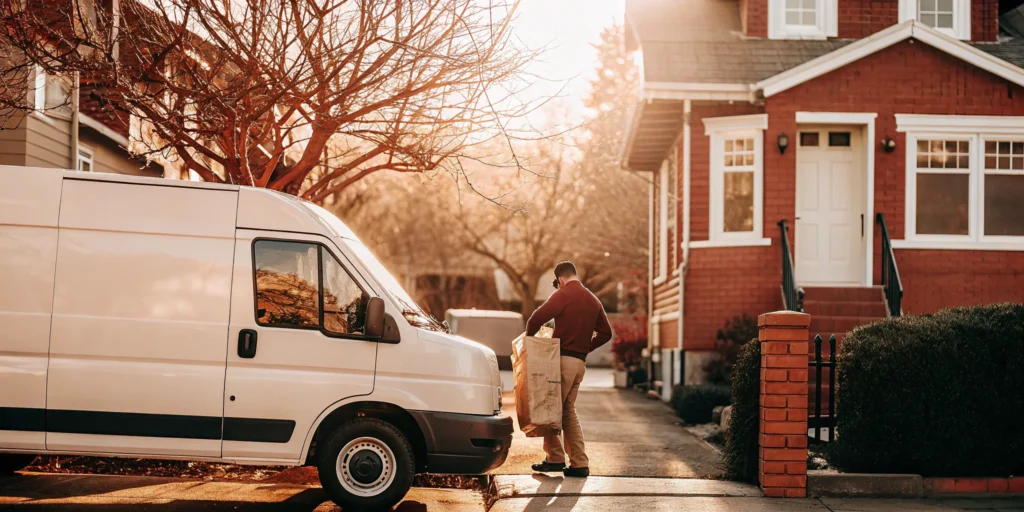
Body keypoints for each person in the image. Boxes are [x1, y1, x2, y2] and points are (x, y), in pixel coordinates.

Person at [526, 261, 612, 478]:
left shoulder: (563, 295)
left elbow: (536, 318)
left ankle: (554, 458)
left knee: (548, 409)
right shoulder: (593, 300)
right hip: (579, 364)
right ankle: (579, 463)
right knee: (567, 411)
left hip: (561, 362)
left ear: (561, 280)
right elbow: (606, 333)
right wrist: (584, 348)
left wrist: (531, 343)